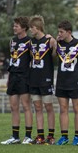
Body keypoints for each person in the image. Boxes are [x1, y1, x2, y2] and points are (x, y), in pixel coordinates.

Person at [1, 17, 33, 145]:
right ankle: (15, 136)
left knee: (26, 106)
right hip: (13, 76)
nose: (14, 28)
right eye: (14, 26)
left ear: (24, 28)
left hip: (24, 76)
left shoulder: (30, 42)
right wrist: (9, 78)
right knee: (14, 107)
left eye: (17, 26)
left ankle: (28, 136)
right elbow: (12, 60)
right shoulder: (12, 41)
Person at [54, 20, 78, 146]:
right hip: (61, 80)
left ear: (69, 32)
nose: (59, 34)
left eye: (61, 32)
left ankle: (77, 136)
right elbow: (51, 56)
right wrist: (55, 42)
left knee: (77, 109)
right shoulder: (58, 44)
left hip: (75, 81)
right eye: (58, 32)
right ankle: (64, 136)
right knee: (63, 109)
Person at [28, 15, 57, 145]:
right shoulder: (31, 42)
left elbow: (55, 55)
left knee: (48, 107)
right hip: (34, 78)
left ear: (38, 27)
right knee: (37, 107)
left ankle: (50, 136)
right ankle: (40, 136)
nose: (30, 30)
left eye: (31, 28)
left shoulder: (50, 41)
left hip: (46, 79)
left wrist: (55, 42)